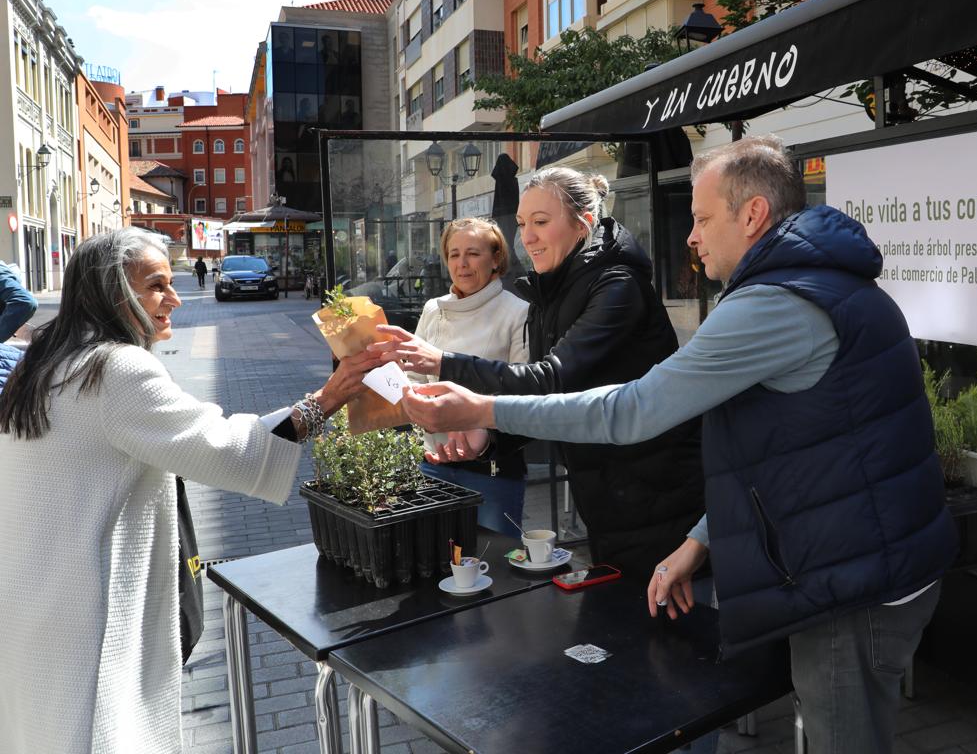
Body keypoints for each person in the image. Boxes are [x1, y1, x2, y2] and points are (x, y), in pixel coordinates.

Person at [399, 137, 958, 754]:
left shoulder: (777, 304)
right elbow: (798, 458)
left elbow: (634, 408)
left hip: (854, 581)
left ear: (752, 216)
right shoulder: (823, 283)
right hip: (875, 557)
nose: (689, 237)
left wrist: (481, 406)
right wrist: (700, 541)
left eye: (700, 218)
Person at [0, 227, 381, 753]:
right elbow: (224, 448)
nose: (175, 298)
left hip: (34, 607)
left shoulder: (41, 365)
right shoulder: (114, 369)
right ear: (115, 294)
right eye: (156, 285)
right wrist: (330, 397)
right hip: (91, 618)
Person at [372, 167, 706, 583]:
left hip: (656, 494)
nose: (527, 237)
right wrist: (489, 437)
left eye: (541, 223)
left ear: (582, 222)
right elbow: (552, 405)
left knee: (658, 631)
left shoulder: (617, 285)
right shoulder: (557, 287)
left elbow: (550, 380)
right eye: (523, 224)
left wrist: (443, 363)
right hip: (607, 492)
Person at [397, 218, 529, 532]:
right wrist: (419, 407)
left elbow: (524, 393)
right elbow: (413, 375)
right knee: (437, 561)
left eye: (473, 253)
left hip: (493, 469)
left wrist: (479, 429)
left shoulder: (519, 312)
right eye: (454, 254)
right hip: (434, 462)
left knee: (494, 565)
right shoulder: (433, 309)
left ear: (496, 259)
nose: (462, 263)